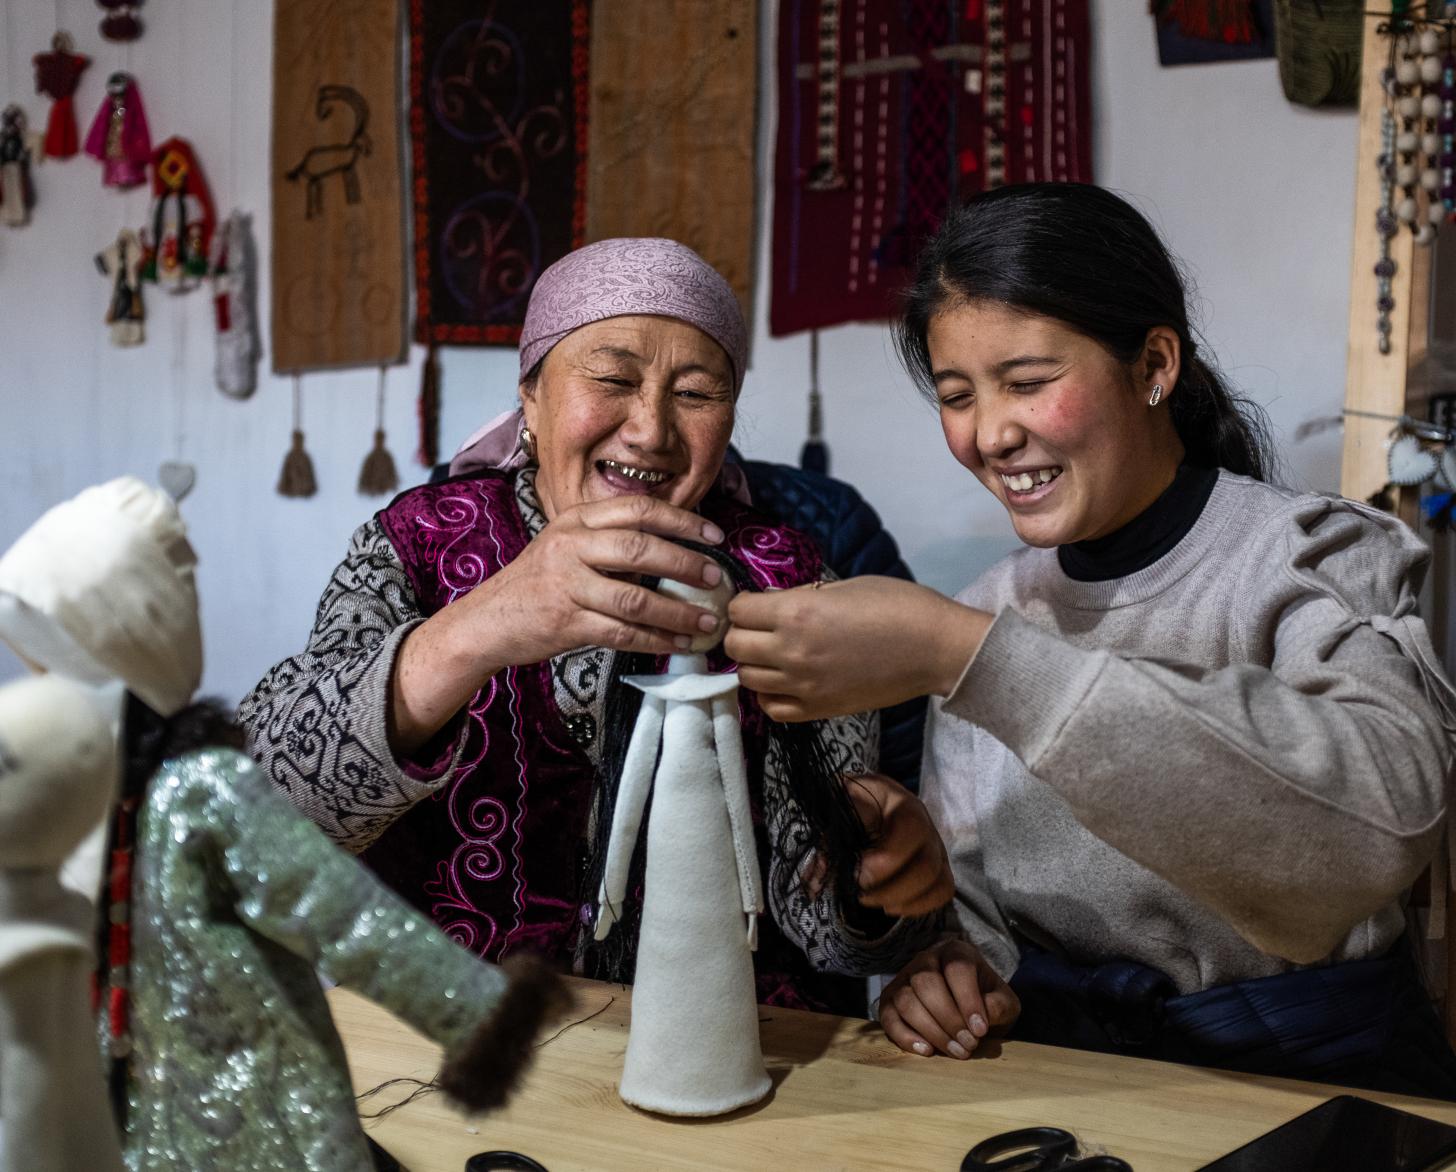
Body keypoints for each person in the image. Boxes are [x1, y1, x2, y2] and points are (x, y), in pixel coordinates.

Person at [725, 183, 1456, 1096]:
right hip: (1067, 1090)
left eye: (1028, 382)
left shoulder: (1311, 556)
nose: (992, 432)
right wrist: (943, 972)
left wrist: (969, 656)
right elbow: (974, 927)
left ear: (1153, 363)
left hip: (1318, 1093)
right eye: (958, 395)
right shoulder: (986, 607)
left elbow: (1379, 824)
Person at [241, 238, 951, 1013]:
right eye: (612, 379)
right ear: (532, 398)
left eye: (697, 393)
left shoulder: (791, 579)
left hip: (722, 1052)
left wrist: (873, 875)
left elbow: (826, 928)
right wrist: (479, 625)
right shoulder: (418, 546)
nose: (650, 430)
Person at [0, 478, 568, 1170]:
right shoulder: (80, 791)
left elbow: (340, 914)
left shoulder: (205, 794)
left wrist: (477, 1016)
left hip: (254, 1081)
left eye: (63, 657)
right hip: (127, 1081)